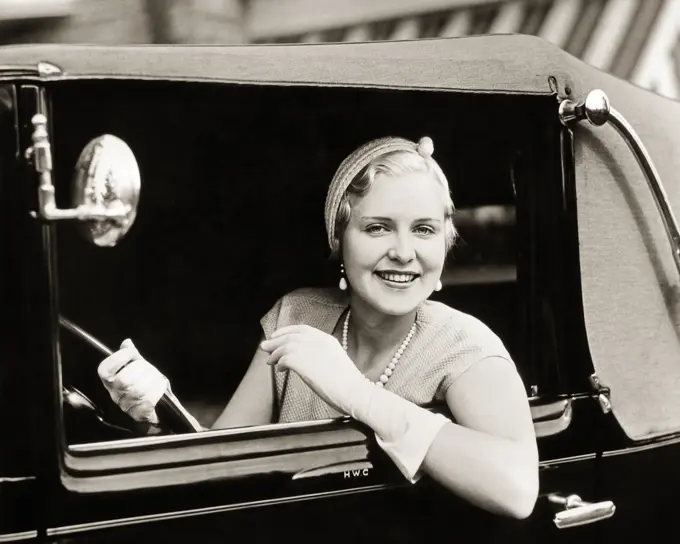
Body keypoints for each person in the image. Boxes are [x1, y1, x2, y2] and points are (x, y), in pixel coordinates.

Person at [98, 135, 539, 519]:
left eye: (423, 230)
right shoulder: (297, 316)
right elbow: (226, 462)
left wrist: (356, 393)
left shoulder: (463, 345)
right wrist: (157, 415)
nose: (404, 252)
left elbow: (517, 488)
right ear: (339, 240)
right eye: (378, 228)